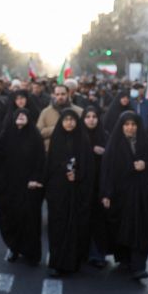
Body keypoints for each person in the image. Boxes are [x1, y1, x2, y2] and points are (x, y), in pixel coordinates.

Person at [100, 112, 148, 280]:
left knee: (143, 228)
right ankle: (125, 259)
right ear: (121, 126)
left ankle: (139, 266)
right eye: (127, 124)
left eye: (133, 124)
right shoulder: (114, 145)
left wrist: (146, 165)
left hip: (143, 197)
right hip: (121, 196)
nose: (130, 128)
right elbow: (107, 171)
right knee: (121, 228)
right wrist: (106, 193)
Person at [0, 107, 44, 266]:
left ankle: (31, 252)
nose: (20, 117)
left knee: (30, 220)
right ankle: (14, 248)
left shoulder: (35, 136)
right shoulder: (6, 135)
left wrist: (35, 179)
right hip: (10, 186)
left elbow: (40, 161)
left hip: (29, 187)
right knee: (11, 219)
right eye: (18, 115)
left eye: (24, 115)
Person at [44, 109, 94, 276]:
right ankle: (57, 262)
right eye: (66, 120)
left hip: (77, 191)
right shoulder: (56, 139)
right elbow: (50, 165)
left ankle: (73, 261)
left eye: (72, 120)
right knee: (58, 225)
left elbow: (88, 166)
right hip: (58, 191)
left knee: (75, 225)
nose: (69, 123)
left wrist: (77, 175)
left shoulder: (83, 140)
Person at [82, 105, 110, 268]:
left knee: (99, 221)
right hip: (82, 185)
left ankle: (97, 254)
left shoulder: (104, 136)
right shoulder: (78, 136)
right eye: (88, 116)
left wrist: (104, 153)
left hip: (100, 186)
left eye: (94, 116)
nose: (91, 120)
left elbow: (113, 159)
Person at [36, 84, 83, 150]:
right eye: (57, 94)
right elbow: (38, 132)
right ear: (53, 95)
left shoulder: (79, 111)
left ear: (68, 94)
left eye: (63, 94)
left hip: (74, 149)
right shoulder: (45, 112)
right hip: (51, 151)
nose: (60, 97)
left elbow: (84, 132)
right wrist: (57, 128)